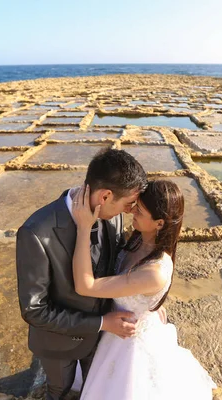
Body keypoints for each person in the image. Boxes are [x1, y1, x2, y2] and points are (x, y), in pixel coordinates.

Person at [16, 149, 154, 400]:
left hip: (104, 339)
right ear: (105, 195)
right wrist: (102, 323)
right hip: (58, 344)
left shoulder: (112, 217)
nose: (128, 211)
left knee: (96, 386)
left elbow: (116, 266)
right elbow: (34, 310)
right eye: (127, 204)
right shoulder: (36, 232)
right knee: (60, 389)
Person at [71, 180, 217, 400]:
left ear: (159, 223)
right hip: (119, 325)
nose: (131, 211)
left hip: (128, 342)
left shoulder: (154, 271)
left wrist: (83, 228)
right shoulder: (139, 238)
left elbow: (86, 286)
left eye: (139, 210)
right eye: (135, 205)